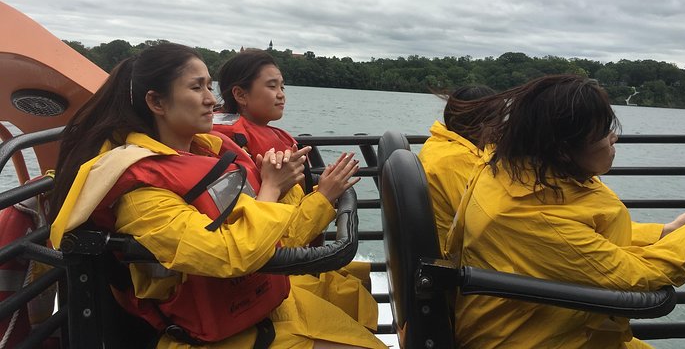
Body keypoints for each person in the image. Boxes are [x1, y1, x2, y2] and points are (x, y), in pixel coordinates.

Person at [48, 42, 387, 349]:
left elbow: (275, 240)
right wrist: (271, 188)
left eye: (209, 86)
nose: (212, 99)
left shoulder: (208, 155)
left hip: (259, 310)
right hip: (210, 337)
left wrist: (310, 196)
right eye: (197, 87)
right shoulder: (142, 193)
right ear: (156, 102)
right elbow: (230, 256)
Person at [444, 74, 685, 349]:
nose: (613, 138)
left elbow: (579, 239)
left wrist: (665, 232)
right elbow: (638, 280)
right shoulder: (530, 214)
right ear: (563, 150)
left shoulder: (511, 174)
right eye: (603, 132)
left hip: (555, 326)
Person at [213, 49, 377, 331]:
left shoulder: (270, 141)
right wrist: (325, 196)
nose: (281, 95)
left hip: (290, 271)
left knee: (359, 280)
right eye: (272, 86)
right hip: (273, 282)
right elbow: (272, 243)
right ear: (240, 94)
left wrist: (323, 190)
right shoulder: (237, 155)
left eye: (283, 87)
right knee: (352, 294)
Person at [417, 84, 495, 246]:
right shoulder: (459, 160)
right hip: (451, 254)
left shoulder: (437, 143)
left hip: (435, 245)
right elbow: (484, 219)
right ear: (483, 125)